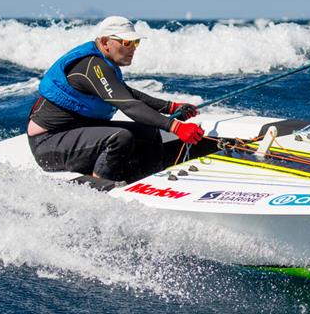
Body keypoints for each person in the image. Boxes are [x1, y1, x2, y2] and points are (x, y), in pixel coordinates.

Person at [27, 16, 204, 187]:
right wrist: (176, 127)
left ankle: (148, 184)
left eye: (136, 42)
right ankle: (96, 189)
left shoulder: (102, 64)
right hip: (48, 144)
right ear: (105, 42)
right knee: (118, 138)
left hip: (77, 132)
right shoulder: (91, 66)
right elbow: (127, 104)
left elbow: (126, 93)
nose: (133, 48)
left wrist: (170, 107)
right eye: (126, 43)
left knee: (149, 132)